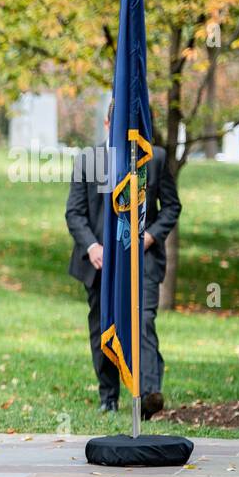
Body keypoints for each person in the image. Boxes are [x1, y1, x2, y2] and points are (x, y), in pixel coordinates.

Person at [65, 99, 180, 418]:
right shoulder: (88, 160)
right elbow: (74, 213)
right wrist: (91, 247)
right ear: (106, 125)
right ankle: (108, 396)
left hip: (142, 260)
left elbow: (171, 206)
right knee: (103, 325)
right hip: (101, 262)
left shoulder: (154, 159)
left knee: (142, 320)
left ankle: (149, 394)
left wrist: (152, 235)